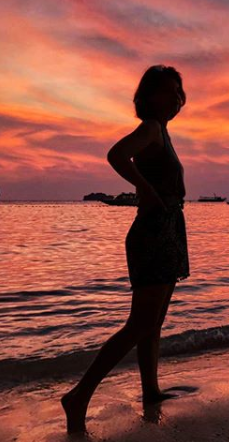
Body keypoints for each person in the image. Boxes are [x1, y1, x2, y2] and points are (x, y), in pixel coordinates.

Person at [60, 65, 190, 434]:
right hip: (153, 232)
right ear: (148, 96)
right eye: (167, 91)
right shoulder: (149, 128)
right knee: (141, 323)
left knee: (153, 323)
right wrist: (144, 189)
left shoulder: (162, 131)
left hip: (168, 228)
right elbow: (116, 155)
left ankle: (151, 391)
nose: (176, 98)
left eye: (178, 91)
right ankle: (78, 397)